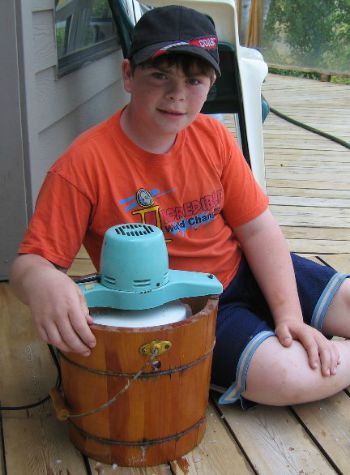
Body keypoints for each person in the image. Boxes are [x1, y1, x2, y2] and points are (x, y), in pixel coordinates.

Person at [10, 5, 350, 408]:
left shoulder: (213, 138)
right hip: (186, 309)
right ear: (127, 76)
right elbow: (28, 266)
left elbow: (258, 229)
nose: (178, 94)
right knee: (287, 377)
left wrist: (289, 317)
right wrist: (46, 282)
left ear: (211, 85)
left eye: (194, 80)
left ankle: (303, 334)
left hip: (245, 268)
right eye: (159, 75)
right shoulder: (83, 164)